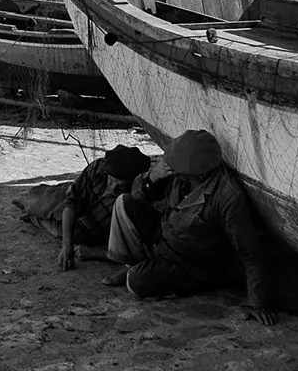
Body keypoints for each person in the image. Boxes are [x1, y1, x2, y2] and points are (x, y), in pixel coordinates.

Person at [103, 129, 275, 325]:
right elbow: (137, 195)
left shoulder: (228, 196)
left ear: (199, 174)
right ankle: (135, 264)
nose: (174, 172)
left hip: (192, 263)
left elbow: (250, 251)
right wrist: (153, 177)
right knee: (124, 203)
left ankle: (149, 273)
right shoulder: (178, 172)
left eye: (179, 171)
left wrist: (257, 301)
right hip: (166, 238)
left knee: (136, 282)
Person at [13, 145, 150, 271]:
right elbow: (71, 204)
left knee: (58, 230)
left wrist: (96, 253)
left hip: (91, 231)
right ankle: (29, 203)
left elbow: (136, 253)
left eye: (120, 186)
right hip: (72, 202)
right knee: (39, 204)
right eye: (112, 181)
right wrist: (67, 245)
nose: (113, 188)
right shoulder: (98, 169)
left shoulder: (136, 199)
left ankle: (33, 218)